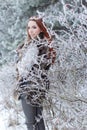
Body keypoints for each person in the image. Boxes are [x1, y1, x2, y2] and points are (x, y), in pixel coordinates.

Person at [14, 16, 56, 130]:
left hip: (30, 87)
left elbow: (26, 69)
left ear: (41, 29)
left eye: (34, 27)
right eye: (28, 28)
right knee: (38, 120)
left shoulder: (42, 47)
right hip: (34, 87)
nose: (30, 31)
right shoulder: (29, 46)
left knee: (31, 122)